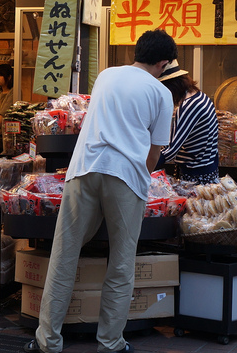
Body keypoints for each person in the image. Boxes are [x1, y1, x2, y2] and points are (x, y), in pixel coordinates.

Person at [26, 29, 177, 353]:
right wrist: (141, 177)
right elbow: (154, 152)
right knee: (120, 263)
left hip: (84, 168)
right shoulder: (161, 94)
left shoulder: (106, 75)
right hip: (125, 176)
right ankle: (110, 343)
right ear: (163, 62)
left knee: (64, 255)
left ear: (137, 52)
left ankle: (47, 341)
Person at [155, 60, 219, 185]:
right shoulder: (199, 96)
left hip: (197, 175)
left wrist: (146, 165)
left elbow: (171, 150)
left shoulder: (189, 106)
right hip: (208, 167)